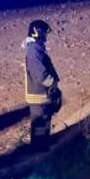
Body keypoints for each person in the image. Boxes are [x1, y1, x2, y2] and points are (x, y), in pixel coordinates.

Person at [23, 19, 61, 152]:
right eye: (45, 33)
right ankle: (39, 151)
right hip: (39, 95)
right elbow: (41, 75)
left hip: (42, 95)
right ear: (37, 33)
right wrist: (53, 85)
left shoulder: (36, 49)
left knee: (44, 122)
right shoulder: (34, 52)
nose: (46, 37)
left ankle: (44, 145)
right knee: (39, 125)